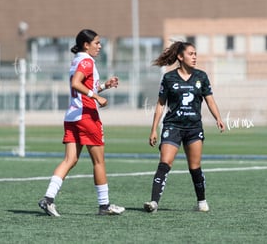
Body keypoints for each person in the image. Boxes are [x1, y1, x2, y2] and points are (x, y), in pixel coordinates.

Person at [38, 29, 125, 216]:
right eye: (97, 43)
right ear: (86, 45)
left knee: (70, 160)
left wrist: (103, 87)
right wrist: (96, 96)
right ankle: (104, 206)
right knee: (99, 162)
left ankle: (48, 199)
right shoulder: (86, 60)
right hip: (86, 116)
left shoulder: (77, 60)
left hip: (72, 116)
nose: (100, 46)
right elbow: (76, 84)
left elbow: (83, 87)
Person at [144, 41, 225, 213]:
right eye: (191, 54)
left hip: (194, 128)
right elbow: (160, 104)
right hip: (172, 126)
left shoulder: (201, 77)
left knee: (194, 167)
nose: (194, 57)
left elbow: (210, 100)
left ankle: (201, 201)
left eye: (195, 54)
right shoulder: (168, 78)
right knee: (165, 162)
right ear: (180, 57)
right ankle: (153, 202)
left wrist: (218, 118)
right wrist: (153, 129)